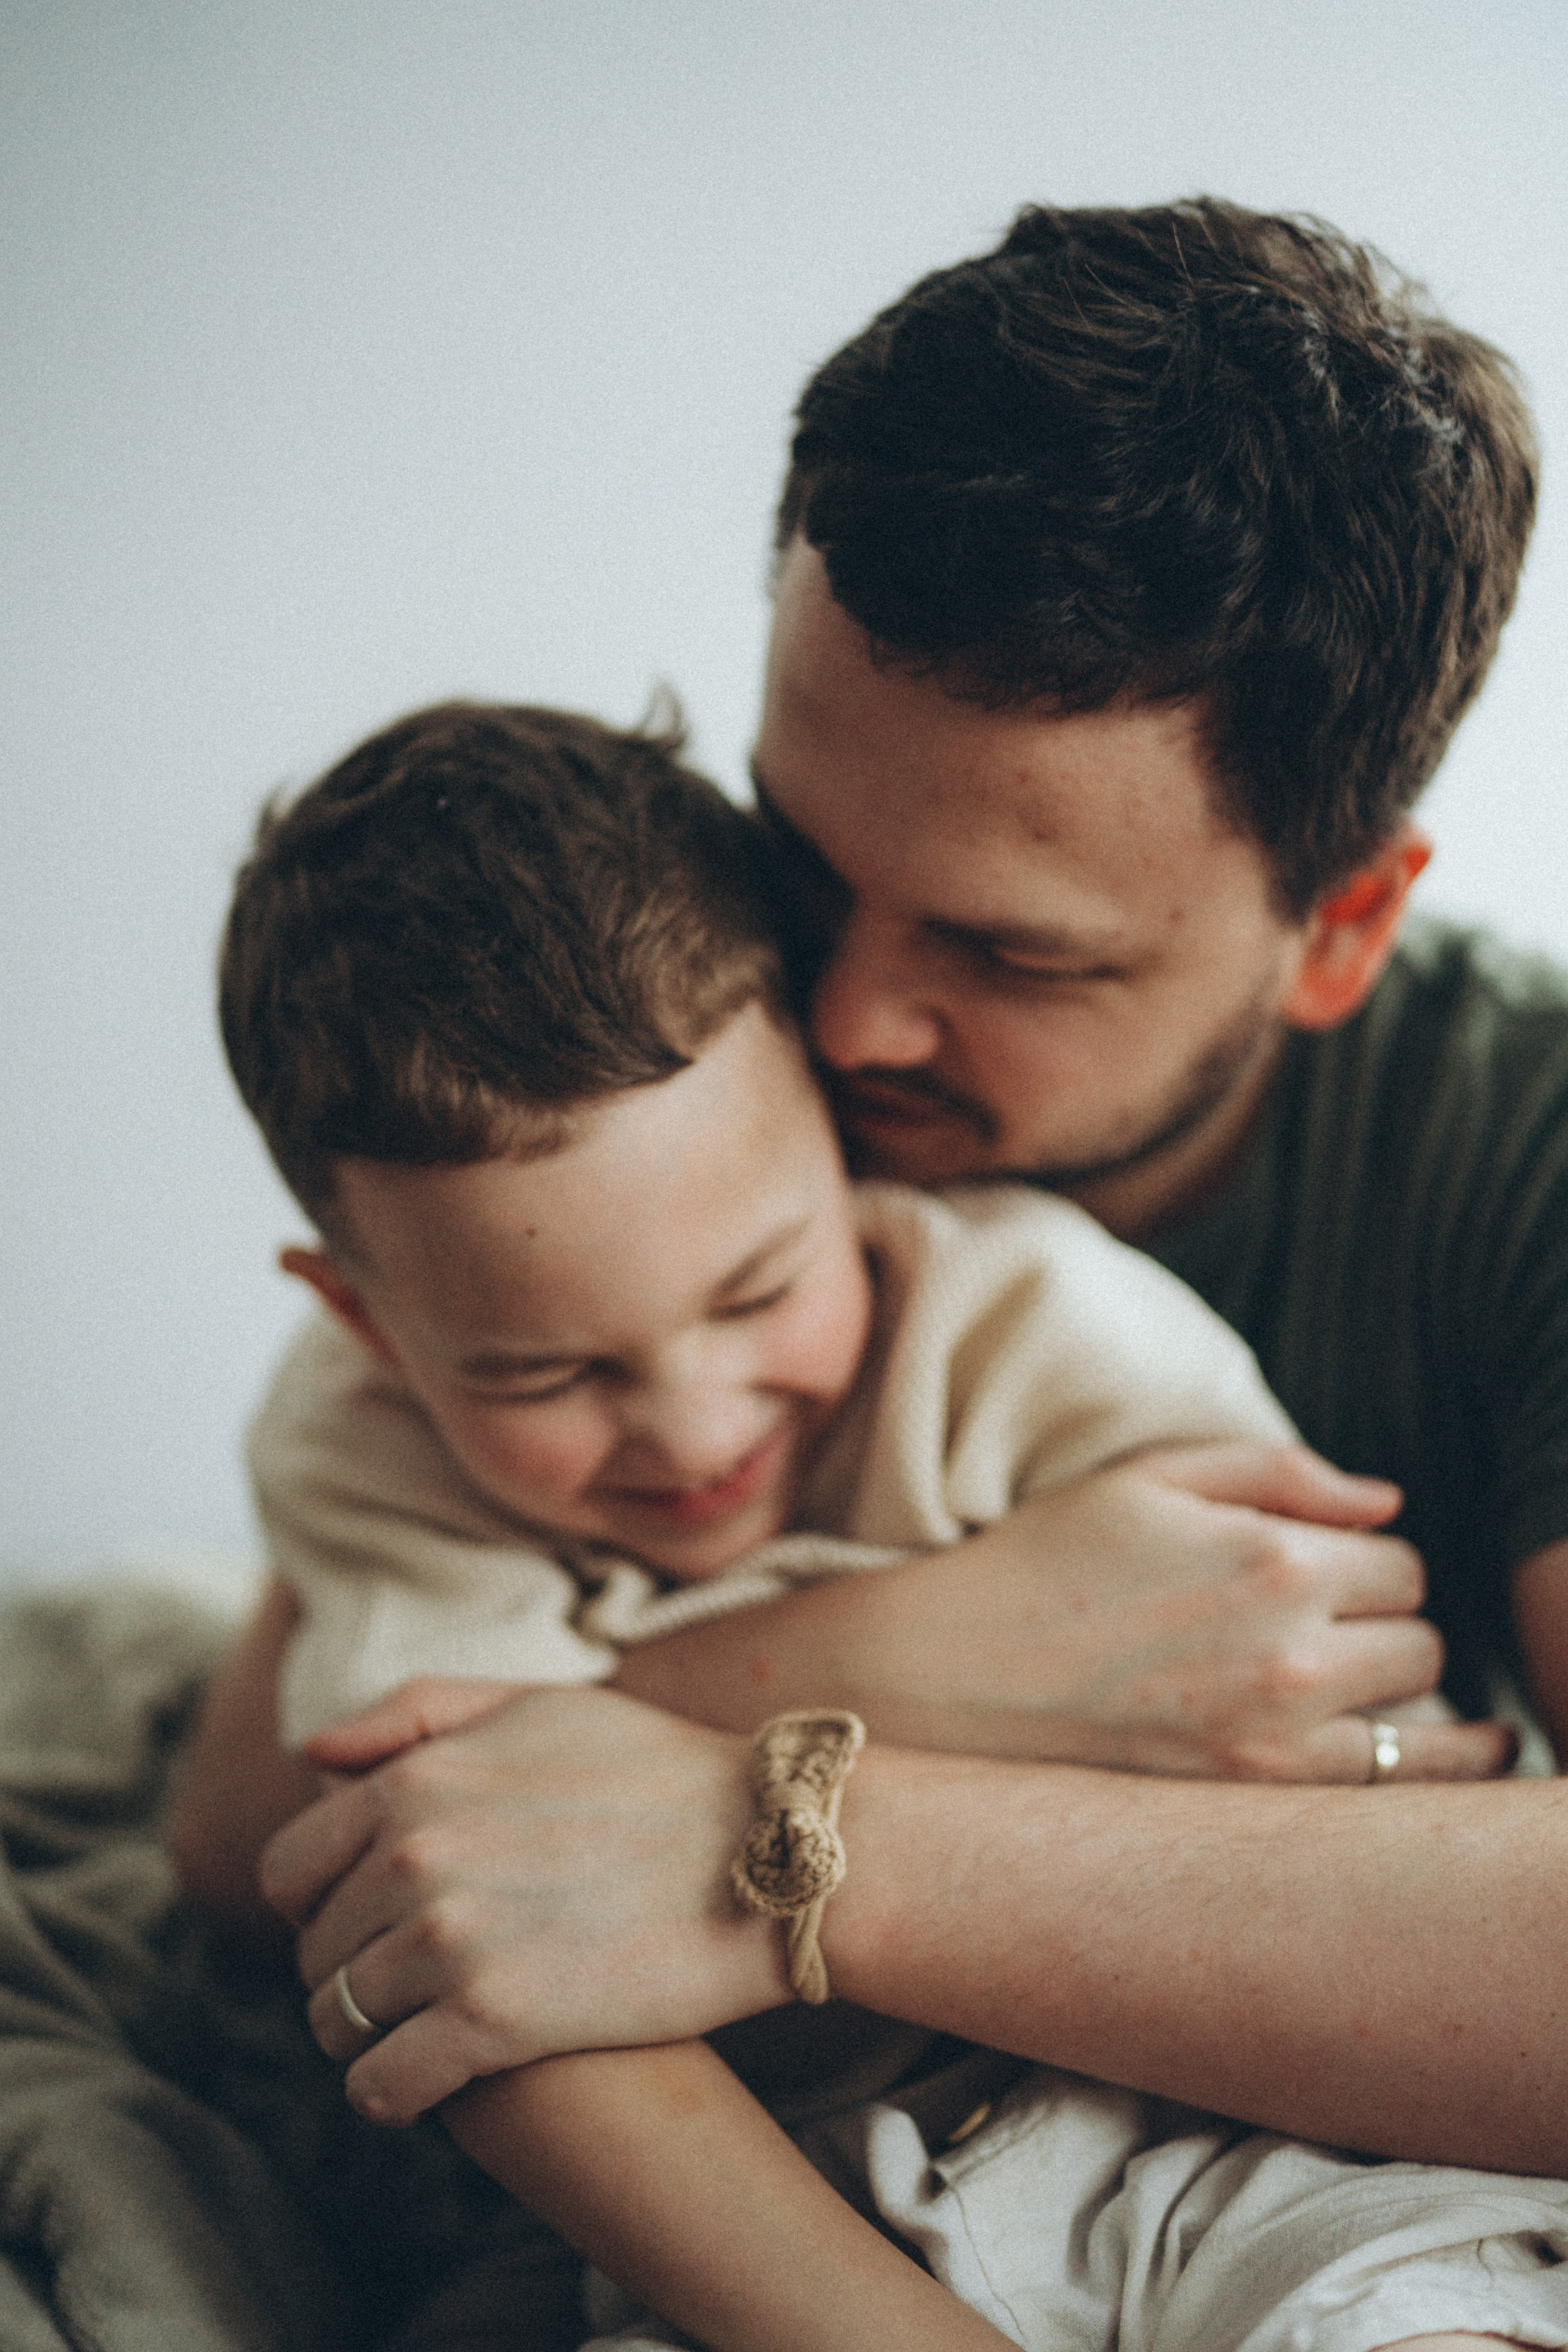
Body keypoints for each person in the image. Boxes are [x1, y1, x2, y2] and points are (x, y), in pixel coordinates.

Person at [251, 197, 1568, 2343]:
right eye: (803, 853)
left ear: (1338, 927)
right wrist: (914, 1665)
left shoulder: (1514, 1151)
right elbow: (251, 1826)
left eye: (1007, 952)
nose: (844, 1022)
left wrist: (787, 1838)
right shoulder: (657, 1015)